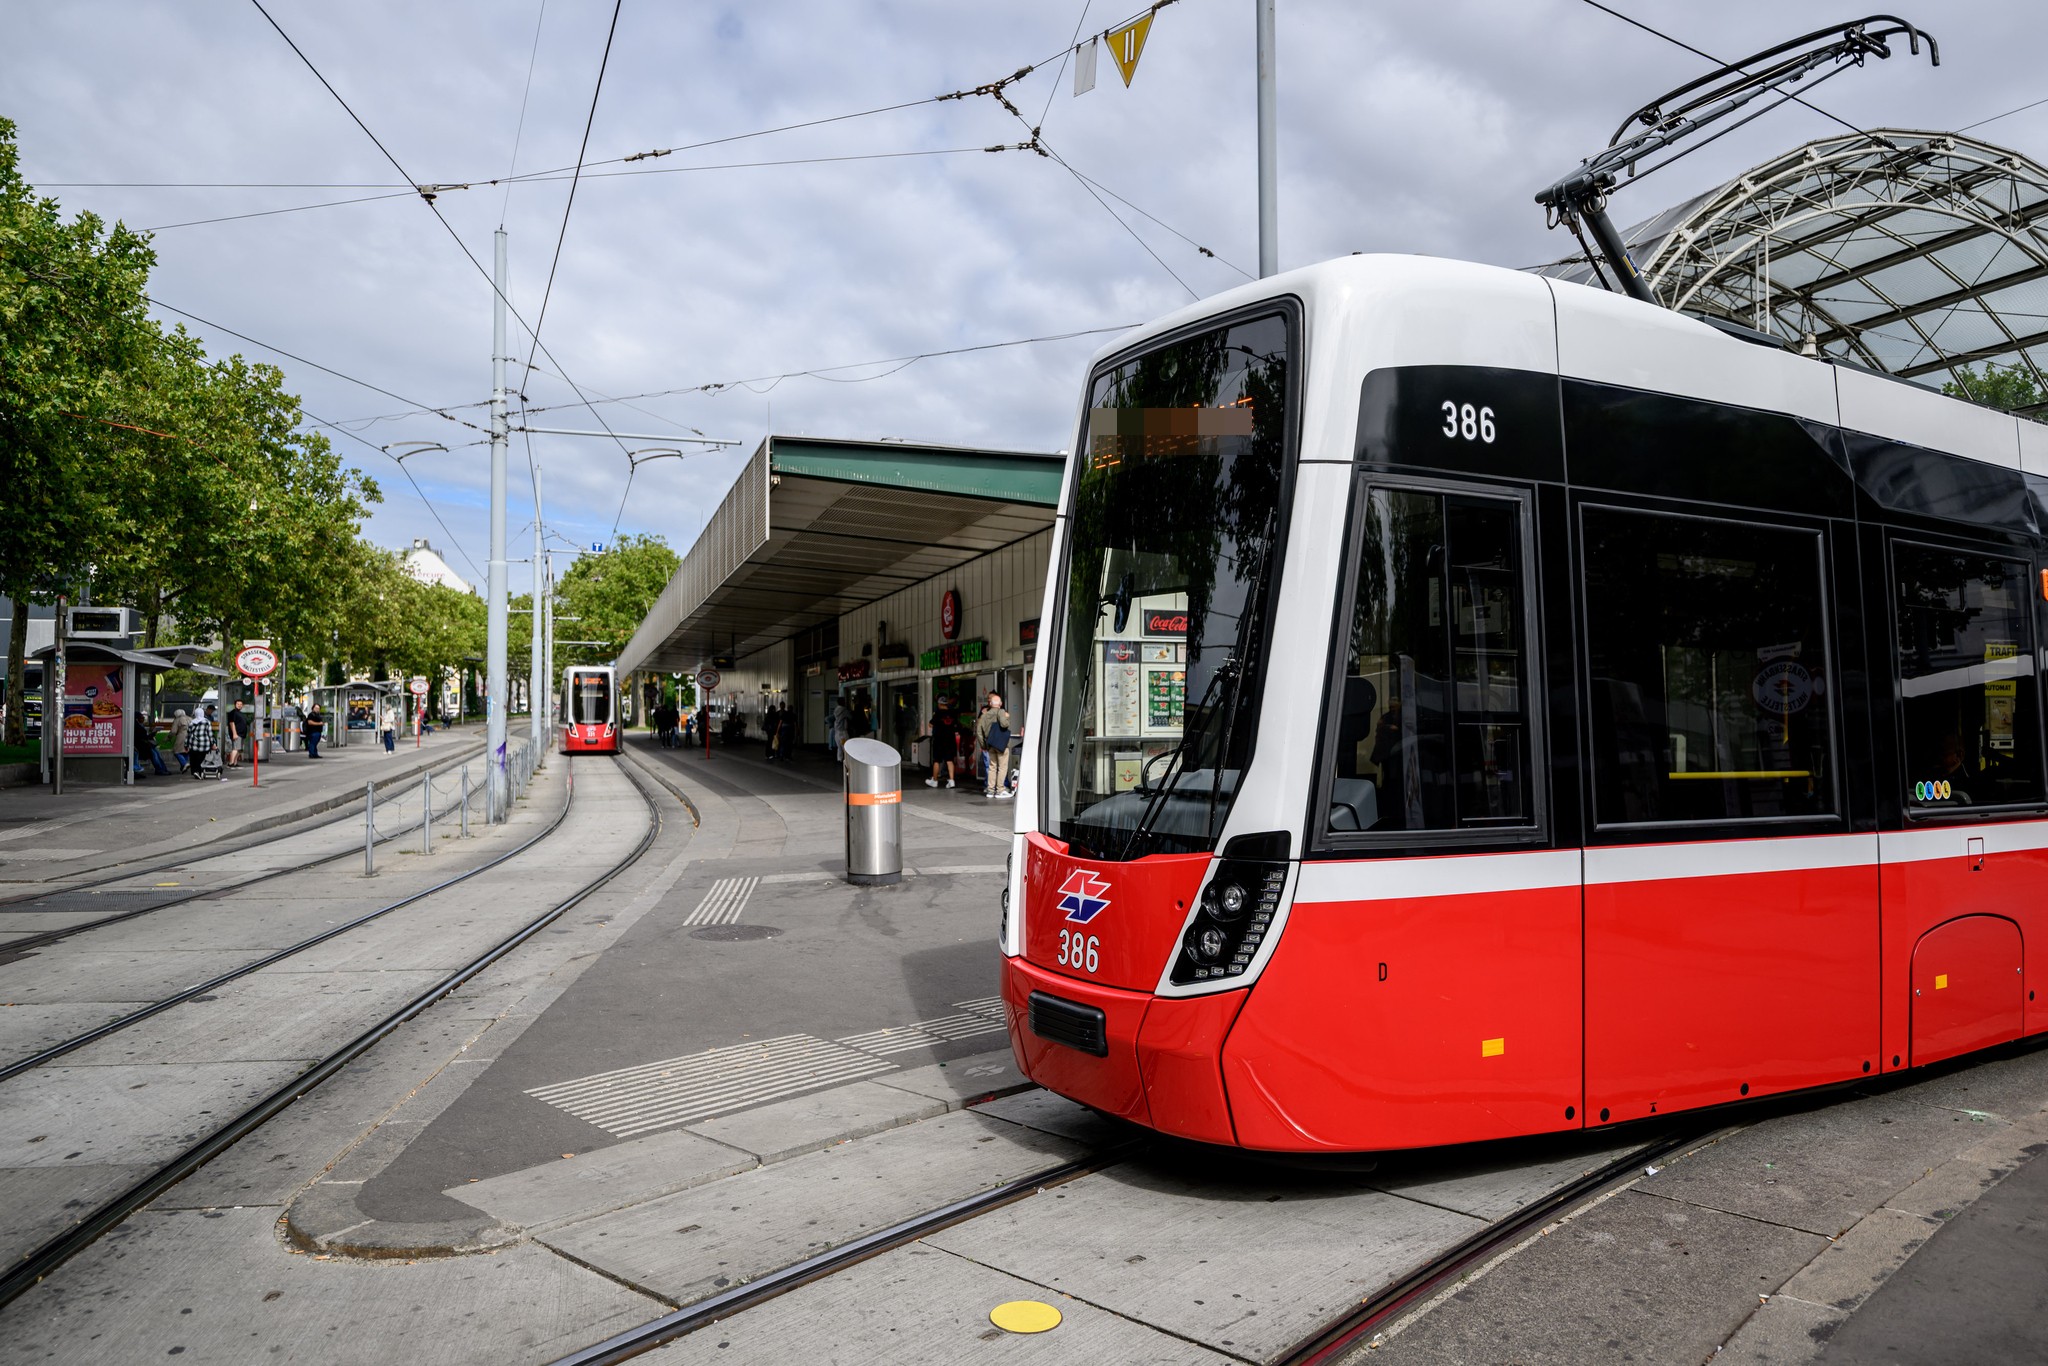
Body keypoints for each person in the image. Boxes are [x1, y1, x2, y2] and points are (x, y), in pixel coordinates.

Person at [976, 691, 1014, 799]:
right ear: (1000, 703)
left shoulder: (984, 715)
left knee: (992, 767)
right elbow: (1004, 724)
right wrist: (1007, 716)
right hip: (1002, 745)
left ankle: (990, 790)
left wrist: (984, 745)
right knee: (1002, 767)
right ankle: (1000, 790)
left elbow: (979, 731)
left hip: (990, 744)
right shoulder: (1001, 711)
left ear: (991, 704)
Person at [923, 697, 959, 789]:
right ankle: (952, 781)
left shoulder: (938, 713)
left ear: (939, 704)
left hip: (939, 739)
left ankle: (934, 781)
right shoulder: (952, 713)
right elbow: (956, 725)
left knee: (936, 760)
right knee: (949, 760)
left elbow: (930, 724)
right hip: (950, 739)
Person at [185, 707, 216, 780]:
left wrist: (186, 745)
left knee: (193, 758)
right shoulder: (207, 722)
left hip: (193, 744)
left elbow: (188, 734)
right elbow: (210, 734)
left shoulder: (192, 722)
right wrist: (213, 743)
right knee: (201, 758)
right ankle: (199, 770)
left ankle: (194, 771)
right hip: (204, 744)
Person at [224, 699, 251, 768]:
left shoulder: (240, 713)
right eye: (238, 704)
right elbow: (231, 723)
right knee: (235, 748)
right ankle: (231, 763)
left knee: (239, 749)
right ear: (235, 705)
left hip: (241, 734)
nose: (239, 705)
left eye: (241, 704)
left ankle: (235, 762)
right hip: (237, 733)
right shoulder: (233, 712)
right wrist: (234, 733)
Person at [169, 708, 192, 772]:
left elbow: (173, 731)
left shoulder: (177, 720)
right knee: (186, 751)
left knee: (176, 751)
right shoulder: (190, 718)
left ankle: (184, 763)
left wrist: (168, 737)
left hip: (181, 736)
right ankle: (183, 766)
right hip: (190, 736)